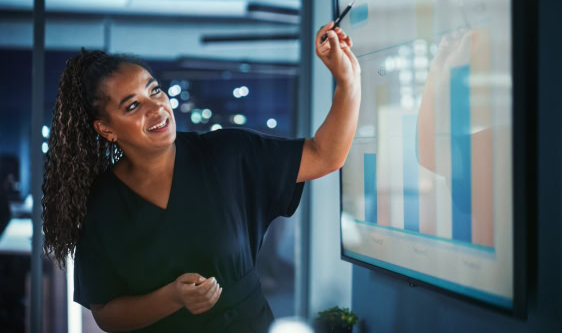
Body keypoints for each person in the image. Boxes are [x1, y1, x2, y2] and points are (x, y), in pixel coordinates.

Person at [41, 22, 361, 332]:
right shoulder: (102, 204)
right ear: (106, 129)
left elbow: (324, 155)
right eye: (133, 105)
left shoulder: (228, 154)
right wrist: (172, 297)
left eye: (154, 90)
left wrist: (348, 81)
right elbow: (106, 315)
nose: (156, 108)